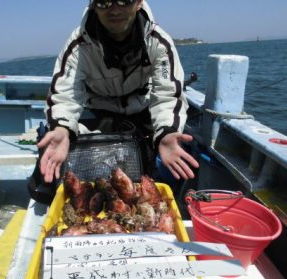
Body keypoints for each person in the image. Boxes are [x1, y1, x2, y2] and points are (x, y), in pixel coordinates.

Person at [38, 0, 199, 183]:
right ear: (93, 6)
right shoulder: (78, 45)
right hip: (99, 112)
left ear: (138, 3)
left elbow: (168, 94)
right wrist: (62, 128)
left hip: (141, 111)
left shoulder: (158, 42)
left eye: (124, 1)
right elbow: (65, 94)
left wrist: (167, 132)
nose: (114, 9)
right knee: (54, 179)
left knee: (164, 173)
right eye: (104, 2)